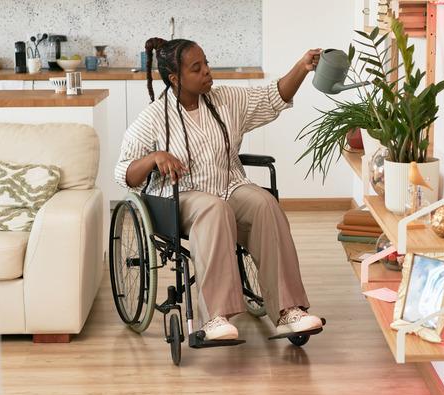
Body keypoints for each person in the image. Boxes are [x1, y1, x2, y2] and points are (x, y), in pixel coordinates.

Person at [115, 37, 323, 341]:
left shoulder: (226, 100)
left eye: (207, 64)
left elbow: (272, 97)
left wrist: (302, 68)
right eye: (197, 69)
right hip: (182, 196)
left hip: (230, 185)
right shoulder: (153, 118)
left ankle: (288, 310)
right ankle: (216, 317)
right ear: (175, 79)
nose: (207, 73)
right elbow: (123, 172)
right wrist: (154, 158)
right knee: (215, 208)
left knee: (264, 203)